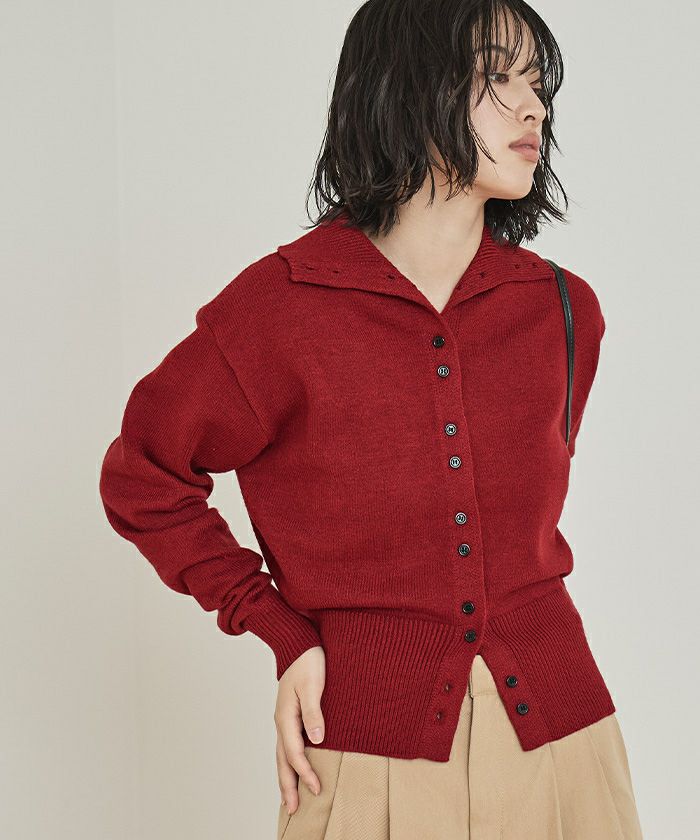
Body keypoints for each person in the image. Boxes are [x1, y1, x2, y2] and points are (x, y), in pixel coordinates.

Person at [99, 1, 644, 837]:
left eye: (538, 84)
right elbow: (144, 476)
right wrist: (279, 629)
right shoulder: (282, 307)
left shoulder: (564, 311)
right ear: (406, 88)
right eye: (497, 76)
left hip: (566, 741)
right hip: (364, 753)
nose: (534, 106)